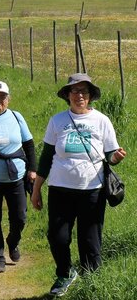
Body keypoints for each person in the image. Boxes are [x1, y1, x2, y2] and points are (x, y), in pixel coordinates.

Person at [31, 74, 127, 297]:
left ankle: (92, 285)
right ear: (68, 95)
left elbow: (110, 154)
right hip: (59, 189)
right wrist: (37, 189)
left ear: (91, 95)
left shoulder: (101, 121)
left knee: (90, 240)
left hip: (92, 190)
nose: (79, 95)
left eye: (84, 91)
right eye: (75, 91)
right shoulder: (57, 121)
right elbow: (46, 158)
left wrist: (116, 158)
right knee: (57, 237)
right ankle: (64, 274)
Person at [0, 81, 37, 273]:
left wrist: (32, 170)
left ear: (8, 99)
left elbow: (29, 145)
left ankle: (13, 241)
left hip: (16, 177)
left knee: (20, 217)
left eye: (2, 97)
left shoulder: (17, 118)